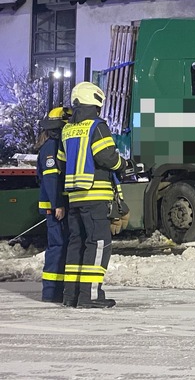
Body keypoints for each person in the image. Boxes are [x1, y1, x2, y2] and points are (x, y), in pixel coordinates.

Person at [58, 82, 127, 308]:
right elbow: (107, 157)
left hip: (74, 198)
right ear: (95, 102)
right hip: (95, 195)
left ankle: (72, 295)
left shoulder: (67, 129)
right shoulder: (97, 126)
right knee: (98, 244)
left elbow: (61, 163)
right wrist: (123, 164)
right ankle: (91, 296)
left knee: (76, 244)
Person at [36, 106, 72, 303]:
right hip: (55, 208)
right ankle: (50, 292)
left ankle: (56, 291)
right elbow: (50, 180)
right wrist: (58, 204)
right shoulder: (51, 147)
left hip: (58, 206)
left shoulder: (56, 145)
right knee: (57, 246)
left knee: (62, 246)